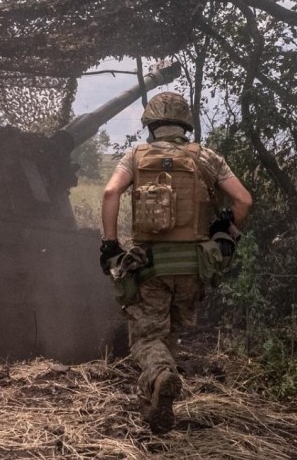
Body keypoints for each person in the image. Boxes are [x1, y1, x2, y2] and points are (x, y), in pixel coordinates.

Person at [99, 92, 252, 434]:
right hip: (193, 267)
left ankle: (160, 375)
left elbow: (110, 193)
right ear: (185, 126)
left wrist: (110, 245)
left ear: (151, 126)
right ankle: (154, 403)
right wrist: (227, 233)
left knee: (145, 338)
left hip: (150, 265)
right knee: (168, 334)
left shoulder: (135, 156)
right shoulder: (207, 157)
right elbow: (244, 200)